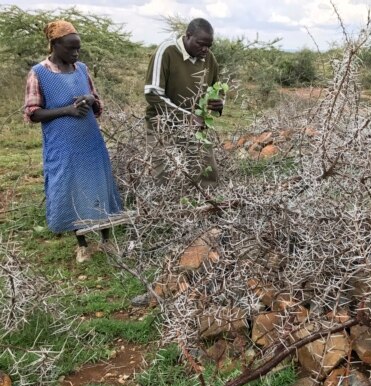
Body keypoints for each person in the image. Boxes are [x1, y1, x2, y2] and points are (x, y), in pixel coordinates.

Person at [24, 20, 122, 263]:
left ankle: (106, 241)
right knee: (71, 191)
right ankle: (82, 245)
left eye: (78, 48)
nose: (75, 53)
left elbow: (98, 105)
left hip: (90, 140)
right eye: (70, 48)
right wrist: (67, 110)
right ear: (55, 45)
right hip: (63, 145)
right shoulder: (39, 73)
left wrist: (90, 99)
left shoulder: (82, 69)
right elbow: (33, 113)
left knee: (98, 185)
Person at [144, 18, 224, 184]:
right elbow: (153, 94)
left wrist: (220, 102)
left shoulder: (209, 57)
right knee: (162, 178)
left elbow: (217, 88)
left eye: (209, 46)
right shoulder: (166, 51)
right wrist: (186, 117)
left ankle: (204, 208)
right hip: (163, 127)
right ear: (188, 36)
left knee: (207, 177)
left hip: (196, 128)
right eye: (200, 44)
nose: (205, 49)